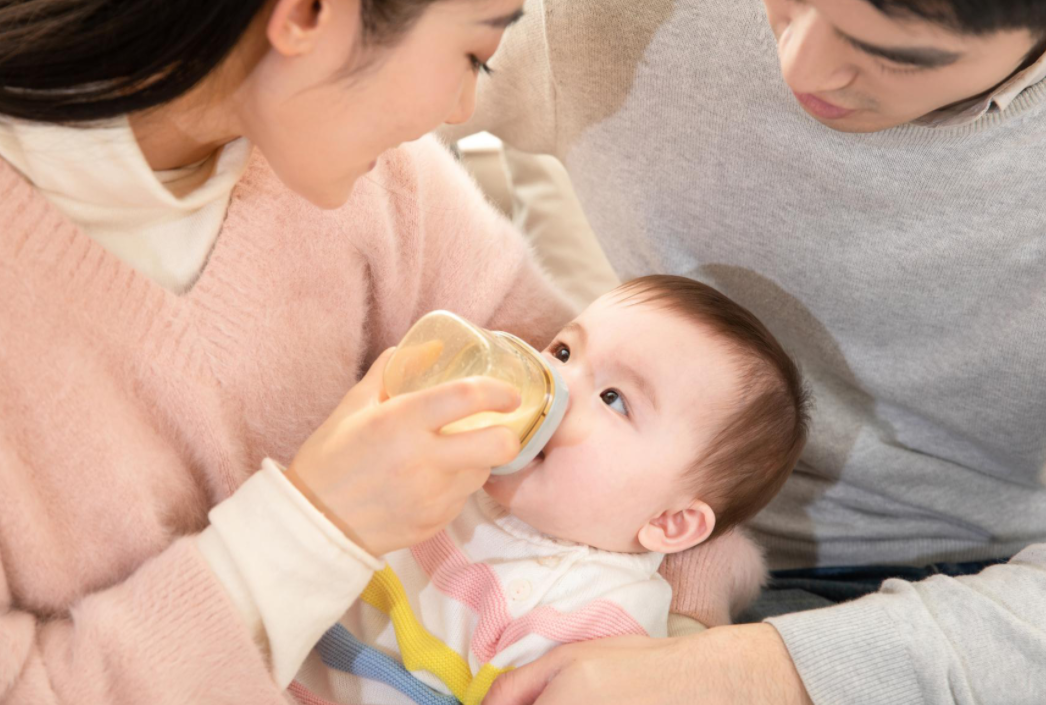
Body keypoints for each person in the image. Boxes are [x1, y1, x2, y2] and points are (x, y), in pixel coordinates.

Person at [443, 0, 1046, 703]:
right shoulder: (621, 16)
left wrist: (739, 671)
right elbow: (320, 90)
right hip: (621, 535)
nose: (798, 65)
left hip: (989, 605)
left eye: (894, 54)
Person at [0, 1, 585, 703]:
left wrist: (675, 625)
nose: (463, 108)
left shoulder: (380, 178)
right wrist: (316, 527)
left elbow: (633, 404)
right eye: (474, 56)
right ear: (309, 15)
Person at [292, 274, 809, 705]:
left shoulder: (597, 624)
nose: (552, 382)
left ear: (668, 523)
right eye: (563, 350)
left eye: (614, 398)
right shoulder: (456, 465)